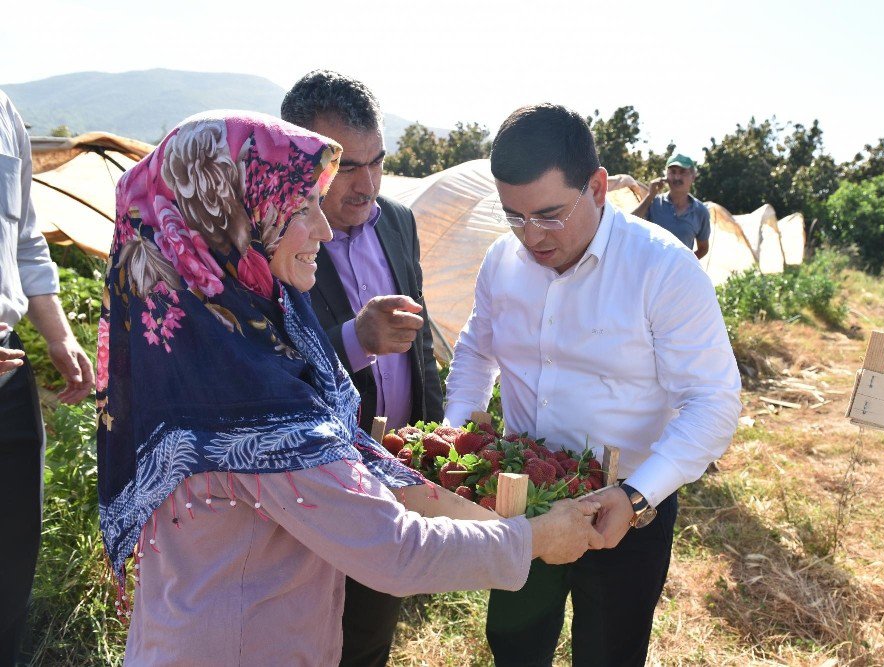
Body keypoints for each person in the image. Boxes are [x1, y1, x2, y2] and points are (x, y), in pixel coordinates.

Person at [96, 111, 603, 665]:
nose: (324, 228)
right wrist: (534, 541)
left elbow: (354, 457)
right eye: (300, 208)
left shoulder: (212, 339)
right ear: (237, 219)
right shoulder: (250, 400)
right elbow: (394, 550)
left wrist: (477, 509)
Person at [444, 104, 743, 667]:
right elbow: (475, 349)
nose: (531, 235)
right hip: (523, 497)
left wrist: (633, 497)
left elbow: (712, 401)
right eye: (514, 216)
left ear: (599, 187)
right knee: (514, 641)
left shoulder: (662, 269)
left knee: (610, 650)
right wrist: (460, 430)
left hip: (626, 506)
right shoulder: (501, 261)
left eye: (550, 215)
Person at [280, 70, 443, 667]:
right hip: (314, 480)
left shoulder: (397, 220)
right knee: (303, 631)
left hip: (393, 470)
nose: (366, 183)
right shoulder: (268, 237)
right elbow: (270, 363)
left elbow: (420, 346)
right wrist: (354, 338)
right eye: (346, 166)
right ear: (300, 160)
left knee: (371, 629)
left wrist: (435, 437)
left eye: (376, 161)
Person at [0, 89, 95, 666]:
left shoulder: (4, 114)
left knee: (12, 557)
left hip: (7, 365)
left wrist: (59, 335)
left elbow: (26, 238)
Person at [632, 153, 711, 258]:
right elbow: (630, 223)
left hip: (679, 274)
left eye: (682, 172)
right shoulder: (653, 203)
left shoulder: (700, 211)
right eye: (672, 172)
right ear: (665, 176)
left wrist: (685, 264)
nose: (677, 177)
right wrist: (650, 196)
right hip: (650, 271)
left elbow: (703, 248)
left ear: (693, 176)